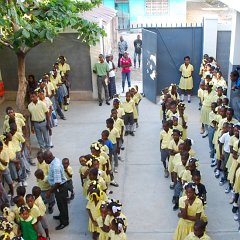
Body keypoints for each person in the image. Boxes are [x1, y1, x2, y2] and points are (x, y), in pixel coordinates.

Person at [43, 150, 69, 230]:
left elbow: (58, 183)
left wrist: (49, 192)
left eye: (45, 159)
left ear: (49, 157)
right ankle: (61, 216)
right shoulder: (55, 160)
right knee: (60, 204)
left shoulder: (55, 166)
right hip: (58, 188)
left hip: (60, 188)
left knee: (62, 205)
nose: (45, 161)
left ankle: (64, 222)